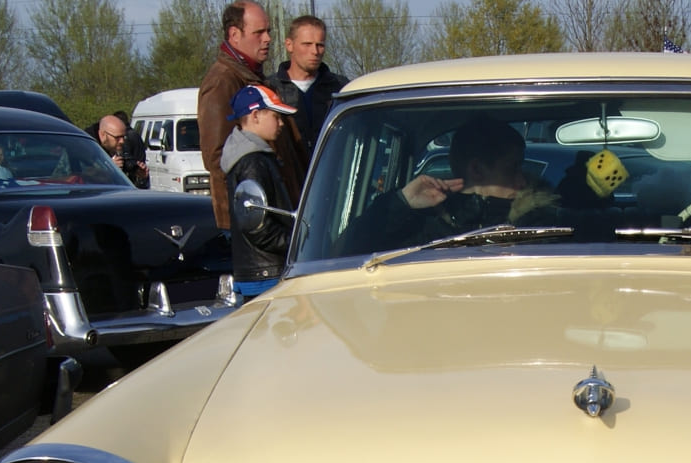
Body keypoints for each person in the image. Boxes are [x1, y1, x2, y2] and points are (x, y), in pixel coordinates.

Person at [347, 117, 563, 253]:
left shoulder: (540, 222)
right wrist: (401, 202)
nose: (522, 180)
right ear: (477, 169)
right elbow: (347, 253)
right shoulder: (426, 225)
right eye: (512, 169)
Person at [199, 1, 303, 230]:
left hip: (274, 214)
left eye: (268, 31)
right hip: (254, 222)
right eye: (259, 32)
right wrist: (259, 193)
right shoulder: (222, 81)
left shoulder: (253, 76)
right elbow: (217, 157)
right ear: (234, 34)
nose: (267, 39)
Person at [222, 84, 298, 299]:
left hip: (260, 272)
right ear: (255, 115)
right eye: (276, 116)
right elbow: (256, 225)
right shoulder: (252, 161)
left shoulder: (255, 156)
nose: (281, 123)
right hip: (265, 275)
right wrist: (298, 241)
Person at [265, 15, 348, 166]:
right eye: (307, 44)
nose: (315, 51)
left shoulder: (340, 88)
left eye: (320, 45)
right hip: (288, 179)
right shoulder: (269, 90)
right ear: (289, 45)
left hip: (332, 176)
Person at [88, 115, 146, 186]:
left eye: (123, 137)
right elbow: (83, 178)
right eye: (117, 137)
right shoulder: (85, 149)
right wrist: (108, 168)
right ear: (102, 135)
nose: (122, 141)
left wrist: (140, 177)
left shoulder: (117, 147)